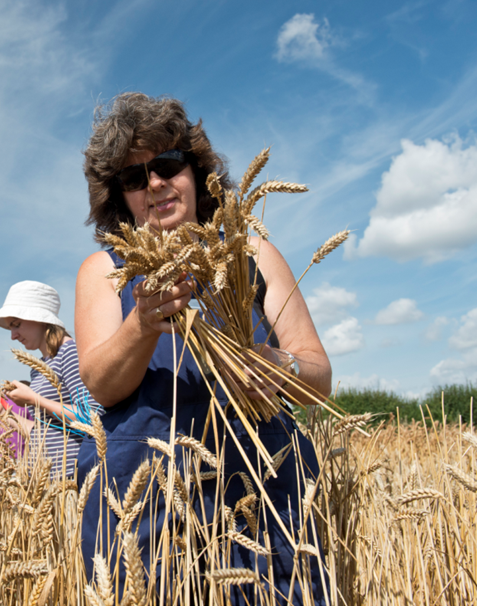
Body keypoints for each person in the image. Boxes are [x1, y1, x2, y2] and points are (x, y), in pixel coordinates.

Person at [75, 93, 331, 603]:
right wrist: (141, 324)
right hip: (144, 493)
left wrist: (277, 364)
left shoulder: (254, 253)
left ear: (196, 172)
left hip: (265, 481)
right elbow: (101, 383)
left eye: (167, 165)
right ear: (120, 197)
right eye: (133, 178)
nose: (153, 184)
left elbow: (320, 379)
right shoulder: (103, 271)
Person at [0, 280, 100, 479]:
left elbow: (90, 416)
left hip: (69, 479)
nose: (13, 336)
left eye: (17, 325)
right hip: (45, 480)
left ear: (40, 319)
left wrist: (34, 400)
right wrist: (3, 410)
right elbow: (40, 432)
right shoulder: (40, 367)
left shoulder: (70, 352)